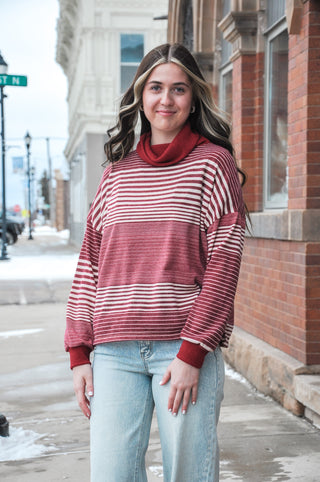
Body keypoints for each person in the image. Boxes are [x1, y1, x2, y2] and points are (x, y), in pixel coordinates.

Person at [65, 43, 246, 482]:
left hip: (179, 351)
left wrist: (192, 352)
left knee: (189, 474)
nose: (166, 99)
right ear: (140, 96)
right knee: (111, 475)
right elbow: (90, 264)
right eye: (156, 87)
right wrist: (78, 351)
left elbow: (224, 263)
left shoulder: (213, 165)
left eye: (179, 89)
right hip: (114, 353)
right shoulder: (115, 174)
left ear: (193, 98)